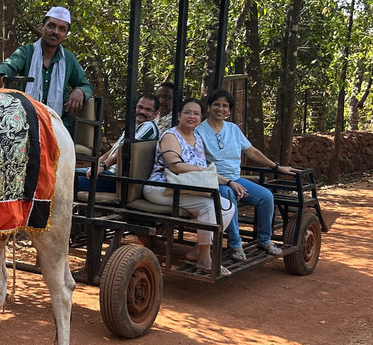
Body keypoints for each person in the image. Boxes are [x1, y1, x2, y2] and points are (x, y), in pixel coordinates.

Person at [197, 88, 297, 260]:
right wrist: (226, 182)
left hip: (236, 179)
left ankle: (264, 240)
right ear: (209, 106)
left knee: (266, 197)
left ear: (229, 110)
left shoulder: (233, 129)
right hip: (216, 181)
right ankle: (236, 245)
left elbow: (252, 152)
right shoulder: (199, 131)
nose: (220, 109)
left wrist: (276, 167)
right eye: (216, 104)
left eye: (225, 106)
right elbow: (199, 164)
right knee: (229, 198)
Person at [143, 98, 235, 276]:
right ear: (179, 115)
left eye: (196, 113)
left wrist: (229, 182)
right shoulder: (171, 136)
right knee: (210, 206)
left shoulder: (196, 138)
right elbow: (175, 166)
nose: (191, 116)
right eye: (187, 112)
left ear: (201, 117)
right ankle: (204, 259)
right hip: (162, 187)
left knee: (227, 207)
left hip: (186, 188)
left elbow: (202, 172)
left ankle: (196, 250)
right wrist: (204, 170)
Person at [0, 6, 93, 133]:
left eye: (62, 29)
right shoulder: (27, 52)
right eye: (51, 26)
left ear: (65, 35)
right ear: (42, 28)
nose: (56, 31)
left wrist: (80, 91)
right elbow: (9, 65)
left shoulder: (68, 59)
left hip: (57, 124)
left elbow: (86, 85)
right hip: (25, 121)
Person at [75, 93, 160, 192]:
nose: (142, 112)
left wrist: (103, 166)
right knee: (65, 174)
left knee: (66, 178)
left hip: (117, 178)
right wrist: (96, 165)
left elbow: (125, 150)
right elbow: (113, 149)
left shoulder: (149, 127)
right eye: (140, 107)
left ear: (156, 114)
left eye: (148, 110)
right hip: (108, 172)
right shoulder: (134, 126)